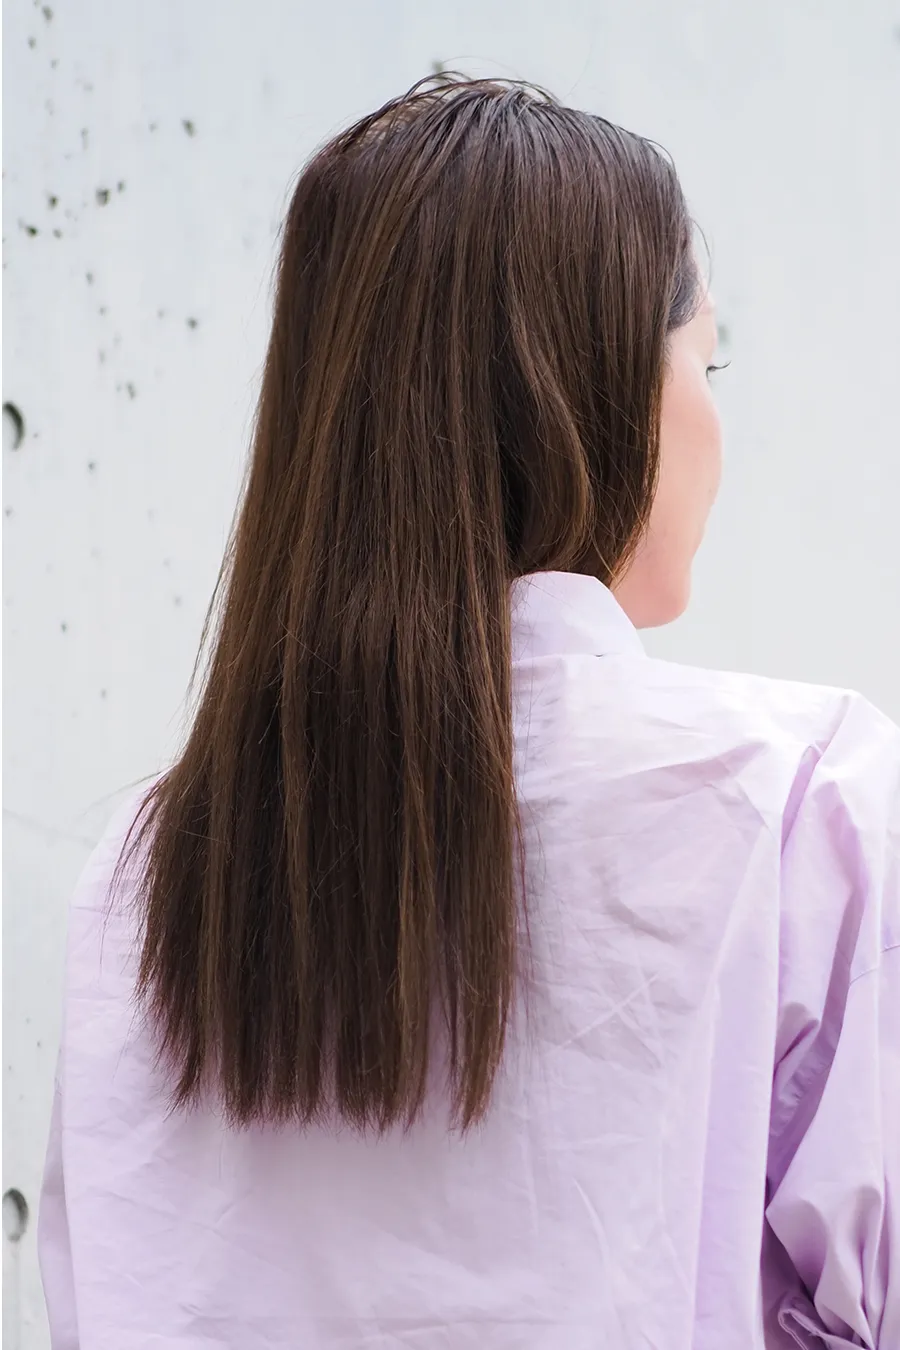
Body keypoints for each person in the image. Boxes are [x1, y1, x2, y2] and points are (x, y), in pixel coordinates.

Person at [38, 74, 897, 1349]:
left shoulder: (148, 870)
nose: (717, 418)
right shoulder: (803, 799)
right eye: (706, 359)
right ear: (602, 387)